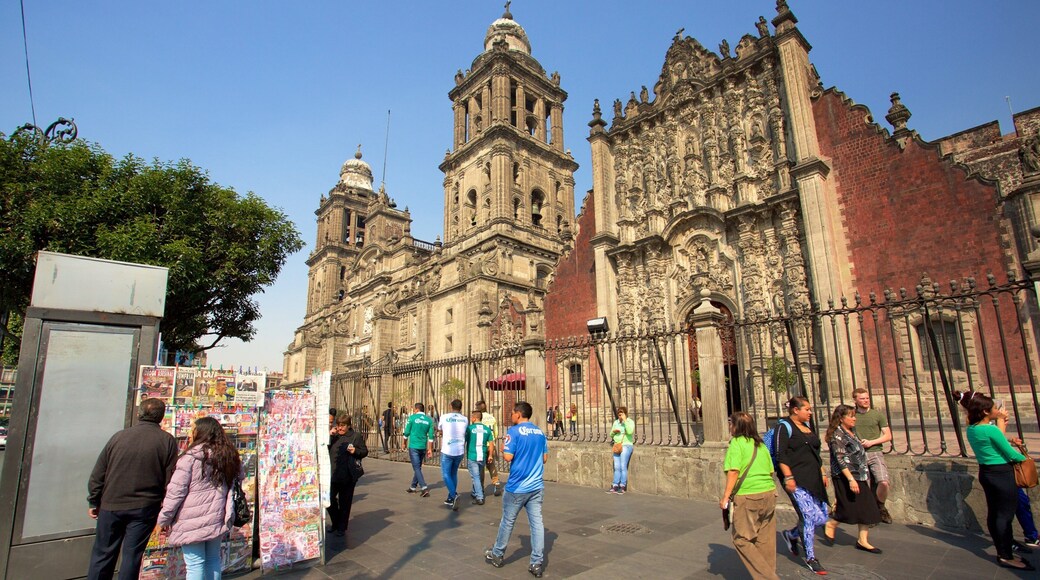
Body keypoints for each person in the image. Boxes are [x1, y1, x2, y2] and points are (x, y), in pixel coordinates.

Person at [86, 398, 179, 580]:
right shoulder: (166, 441)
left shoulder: (119, 437)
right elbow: (170, 480)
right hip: (145, 507)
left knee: (102, 554)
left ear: (139, 414)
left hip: (111, 504)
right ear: (161, 416)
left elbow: (99, 472)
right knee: (132, 556)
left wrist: (94, 500)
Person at [956, 390, 1034, 570]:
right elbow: (1010, 454)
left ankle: (1003, 550)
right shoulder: (990, 429)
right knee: (1005, 515)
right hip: (1002, 474)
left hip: (987, 472)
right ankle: (1005, 555)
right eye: (993, 408)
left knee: (995, 513)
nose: (995, 409)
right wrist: (1025, 458)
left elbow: (994, 446)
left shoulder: (972, 429)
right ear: (985, 411)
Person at [157, 416, 243, 580]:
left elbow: (176, 493)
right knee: (213, 559)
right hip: (217, 516)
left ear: (201, 432)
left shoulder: (189, 458)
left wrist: (163, 519)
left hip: (191, 520)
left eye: (193, 430)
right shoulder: (228, 456)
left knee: (195, 564)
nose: (190, 434)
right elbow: (239, 479)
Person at [484, 402, 549, 578]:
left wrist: (506, 449)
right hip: (536, 486)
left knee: (508, 521)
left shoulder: (513, 432)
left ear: (518, 414)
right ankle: (536, 562)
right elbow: (544, 458)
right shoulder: (540, 432)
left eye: (512, 413)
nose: (511, 415)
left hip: (517, 487)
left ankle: (497, 554)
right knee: (537, 524)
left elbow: (508, 456)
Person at [775, 396, 829, 575]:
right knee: (807, 516)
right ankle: (811, 558)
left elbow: (815, 452)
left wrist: (822, 471)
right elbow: (781, 454)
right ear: (795, 410)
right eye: (807, 409)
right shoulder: (784, 427)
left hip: (813, 477)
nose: (810, 412)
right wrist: (788, 477)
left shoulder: (807, 427)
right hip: (796, 479)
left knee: (821, 517)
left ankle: (791, 535)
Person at [721, 411, 778, 580]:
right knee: (765, 541)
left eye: (731, 423)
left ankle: (769, 578)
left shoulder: (737, 443)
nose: (729, 426)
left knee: (741, 539)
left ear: (736, 426)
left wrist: (726, 497)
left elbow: (734, 471)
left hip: (748, 495)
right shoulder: (760, 444)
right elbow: (770, 470)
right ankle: (768, 574)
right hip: (769, 493)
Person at [823, 405, 883, 554]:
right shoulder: (837, 435)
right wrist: (850, 479)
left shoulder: (852, 431)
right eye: (851, 416)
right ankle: (832, 523)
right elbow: (840, 458)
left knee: (867, 507)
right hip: (846, 476)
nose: (854, 419)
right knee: (849, 507)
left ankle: (863, 540)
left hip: (859, 474)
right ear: (841, 418)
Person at [852, 387, 892, 523]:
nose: (866, 400)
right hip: (858, 454)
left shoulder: (877, 415)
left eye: (867, 398)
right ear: (855, 400)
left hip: (875, 452)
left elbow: (888, 436)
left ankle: (881, 507)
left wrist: (871, 442)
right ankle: (870, 514)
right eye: (862, 398)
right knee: (864, 486)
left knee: (884, 482)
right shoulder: (852, 416)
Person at [328, 413, 368, 536]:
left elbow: (364, 451)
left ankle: (341, 527)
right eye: (338, 425)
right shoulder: (334, 436)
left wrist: (355, 451)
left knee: (345, 503)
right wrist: (329, 436)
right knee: (329, 500)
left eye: (343, 426)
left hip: (348, 475)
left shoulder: (355, 436)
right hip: (333, 474)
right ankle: (336, 522)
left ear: (348, 426)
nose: (340, 428)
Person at [438, 398, 468, 510]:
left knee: (446, 474)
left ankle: (454, 495)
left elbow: (440, 429)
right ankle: (450, 498)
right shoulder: (465, 419)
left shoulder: (444, 417)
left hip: (448, 449)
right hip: (459, 450)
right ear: (461, 407)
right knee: (453, 473)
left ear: (451, 406)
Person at [403, 402, 435, 497]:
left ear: (417, 409)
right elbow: (431, 436)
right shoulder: (429, 420)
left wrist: (404, 443)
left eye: (414, 409)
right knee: (418, 467)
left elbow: (406, 432)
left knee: (416, 467)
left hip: (414, 446)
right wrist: (430, 449)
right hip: (423, 446)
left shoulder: (412, 418)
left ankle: (424, 487)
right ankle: (413, 486)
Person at [466, 408, 495, 505]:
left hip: (472, 455)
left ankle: (479, 497)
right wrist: (490, 455)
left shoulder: (470, 429)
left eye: (471, 417)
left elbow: (464, 440)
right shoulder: (487, 429)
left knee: (475, 476)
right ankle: (474, 492)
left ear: (474, 418)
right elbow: (491, 444)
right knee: (477, 474)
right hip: (482, 455)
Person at [476, 399, 502, 497]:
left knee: (480, 467)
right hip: (491, 445)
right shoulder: (492, 418)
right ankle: (496, 482)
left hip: (481, 445)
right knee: (491, 465)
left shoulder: (479, 419)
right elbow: (496, 433)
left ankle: (481, 488)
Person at [607, 406, 635, 494]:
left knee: (623, 466)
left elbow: (630, 431)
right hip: (617, 445)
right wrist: (614, 432)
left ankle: (622, 485)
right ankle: (615, 485)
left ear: (625, 414)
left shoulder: (630, 422)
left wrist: (625, 421)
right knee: (617, 467)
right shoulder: (616, 422)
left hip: (626, 445)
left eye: (621, 414)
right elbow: (611, 434)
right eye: (619, 414)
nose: (620, 416)